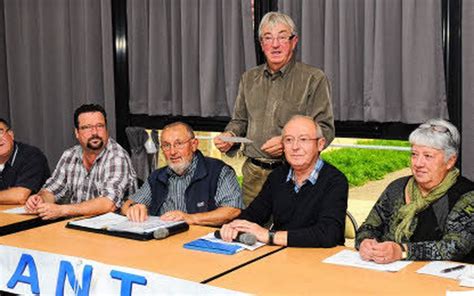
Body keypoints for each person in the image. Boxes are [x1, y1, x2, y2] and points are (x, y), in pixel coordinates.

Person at [214, 11, 335, 206]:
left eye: (282, 37)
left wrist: (287, 142)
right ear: (262, 45)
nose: (275, 44)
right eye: (268, 38)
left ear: (294, 41)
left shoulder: (313, 79)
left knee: (288, 234)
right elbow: (240, 121)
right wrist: (230, 136)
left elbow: (325, 129)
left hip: (294, 175)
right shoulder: (248, 79)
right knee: (248, 232)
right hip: (253, 175)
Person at [356, 119, 474, 263]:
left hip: (442, 280)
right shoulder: (397, 188)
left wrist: (402, 251)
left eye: (427, 156)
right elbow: (369, 226)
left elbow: (453, 247)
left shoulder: (467, 196)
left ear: (450, 161)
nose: (418, 163)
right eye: (414, 154)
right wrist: (365, 242)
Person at [219, 116, 347, 247]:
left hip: (321, 259)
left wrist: (269, 236)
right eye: (289, 140)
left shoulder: (335, 181)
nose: (295, 147)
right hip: (282, 255)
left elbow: (329, 234)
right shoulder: (278, 176)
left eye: (303, 139)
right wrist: (233, 226)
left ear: (320, 144)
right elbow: (254, 214)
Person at [25, 104, 138, 220]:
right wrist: (40, 199)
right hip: (76, 225)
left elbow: (108, 204)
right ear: (77, 133)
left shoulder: (117, 156)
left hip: (110, 229)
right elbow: (52, 190)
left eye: (100, 126)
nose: (94, 132)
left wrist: (63, 210)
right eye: (87, 127)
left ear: (106, 129)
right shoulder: (69, 155)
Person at [121, 122, 243, 226]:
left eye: (179, 144)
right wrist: (134, 209)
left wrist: (190, 218)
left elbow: (232, 209)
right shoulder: (157, 176)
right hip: (163, 240)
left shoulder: (218, 171)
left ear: (194, 145)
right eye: (166, 145)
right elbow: (128, 204)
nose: (172, 152)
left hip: (202, 241)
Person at [0, 118, 50, 204]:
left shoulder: (31, 155)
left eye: (0, 133)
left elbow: (20, 196)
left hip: (32, 215)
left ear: (11, 134)